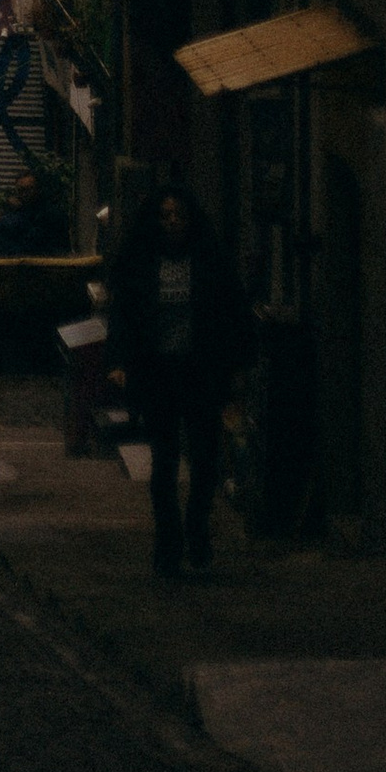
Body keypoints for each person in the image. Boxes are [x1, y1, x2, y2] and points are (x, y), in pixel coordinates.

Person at [105, 182, 257, 575]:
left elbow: (231, 312)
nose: (172, 223)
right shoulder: (141, 263)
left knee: (205, 461)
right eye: (166, 216)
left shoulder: (208, 261)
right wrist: (122, 361)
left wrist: (235, 364)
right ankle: (169, 540)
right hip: (158, 373)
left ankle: (198, 530)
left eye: (179, 216)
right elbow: (125, 315)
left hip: (200, 372)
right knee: (165, 462)